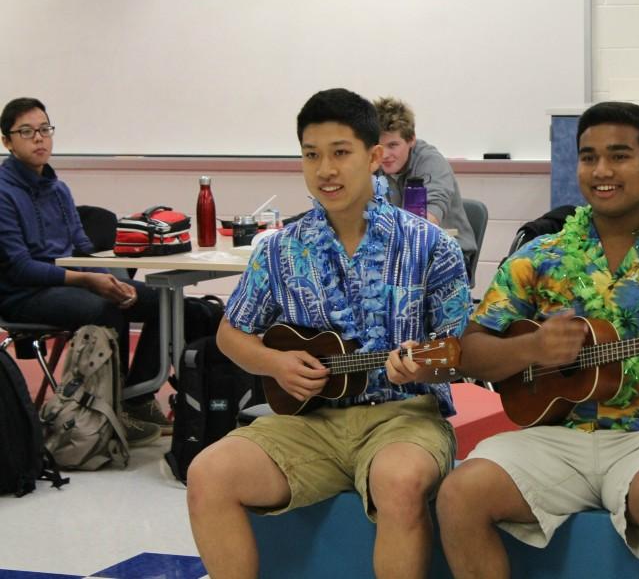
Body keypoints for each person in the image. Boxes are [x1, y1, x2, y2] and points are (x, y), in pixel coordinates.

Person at [437, 101, 639, 579]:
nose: (601, 170)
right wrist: (531, 349)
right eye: (588, 157)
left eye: (619, 156)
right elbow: (471, 355)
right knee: (459, 494)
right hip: (554, 437)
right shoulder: (538, 257)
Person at [186, 88, 471, 579]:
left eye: (341, 153)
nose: (325, 170)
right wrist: (274, 363)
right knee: (207, 474)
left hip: (403, 418)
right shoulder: (280, 249)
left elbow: (462, 349)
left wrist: (423, 363)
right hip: (309, 423)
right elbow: (232, 333)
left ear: (375, 157)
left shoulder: (429, 244)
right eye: (311, 155)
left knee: (399, 482)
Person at [0, 97, 169, 445]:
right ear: (7, 141)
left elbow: (82, 248)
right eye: (27, 132)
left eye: (45, 129)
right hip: (22, 294)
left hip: (67, 284)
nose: (39, 139)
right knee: (103, 308)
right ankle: (107, 413)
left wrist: (114, 280)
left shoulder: (58, 189)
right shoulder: (3, 192)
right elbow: (19, 267)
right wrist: (89, 281)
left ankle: (135, 397)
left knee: (158, 298)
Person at [373, 97, 477, 273]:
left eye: (393, 145)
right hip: (398, 253)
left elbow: (426, 224)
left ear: (411, 140)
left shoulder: (431, 162)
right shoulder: (373, 161)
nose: (385, 155)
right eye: (379, 146)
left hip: (450, 254)